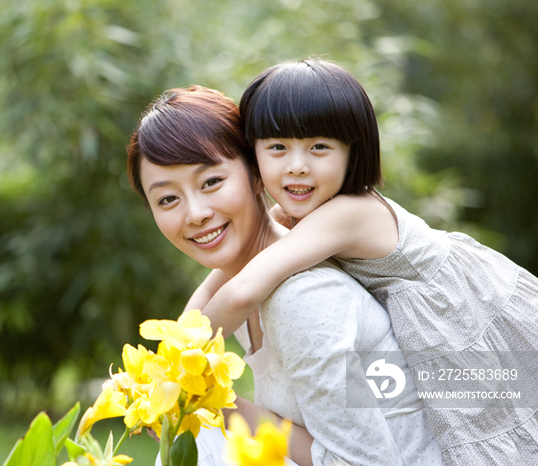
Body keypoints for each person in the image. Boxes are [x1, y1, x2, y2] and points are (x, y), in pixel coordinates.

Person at [192, 59, 538, 465]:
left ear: (353, 151)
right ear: (254, 156)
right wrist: (169, 350)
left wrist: (177, 376)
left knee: (495, 433)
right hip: (427, 330)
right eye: (277, 147)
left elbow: (245, 289)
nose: (297, 164)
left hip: (466, 318)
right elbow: (217, 284)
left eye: (319, 147)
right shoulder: (303, 214)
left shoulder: (348, 212)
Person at [127, 85, 442, 466]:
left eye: (211, 182)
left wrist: (216, 404)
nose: (194, 213)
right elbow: (200, 318)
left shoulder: (302, 297)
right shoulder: (245, 281)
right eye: (167, 199)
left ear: (257, 175)